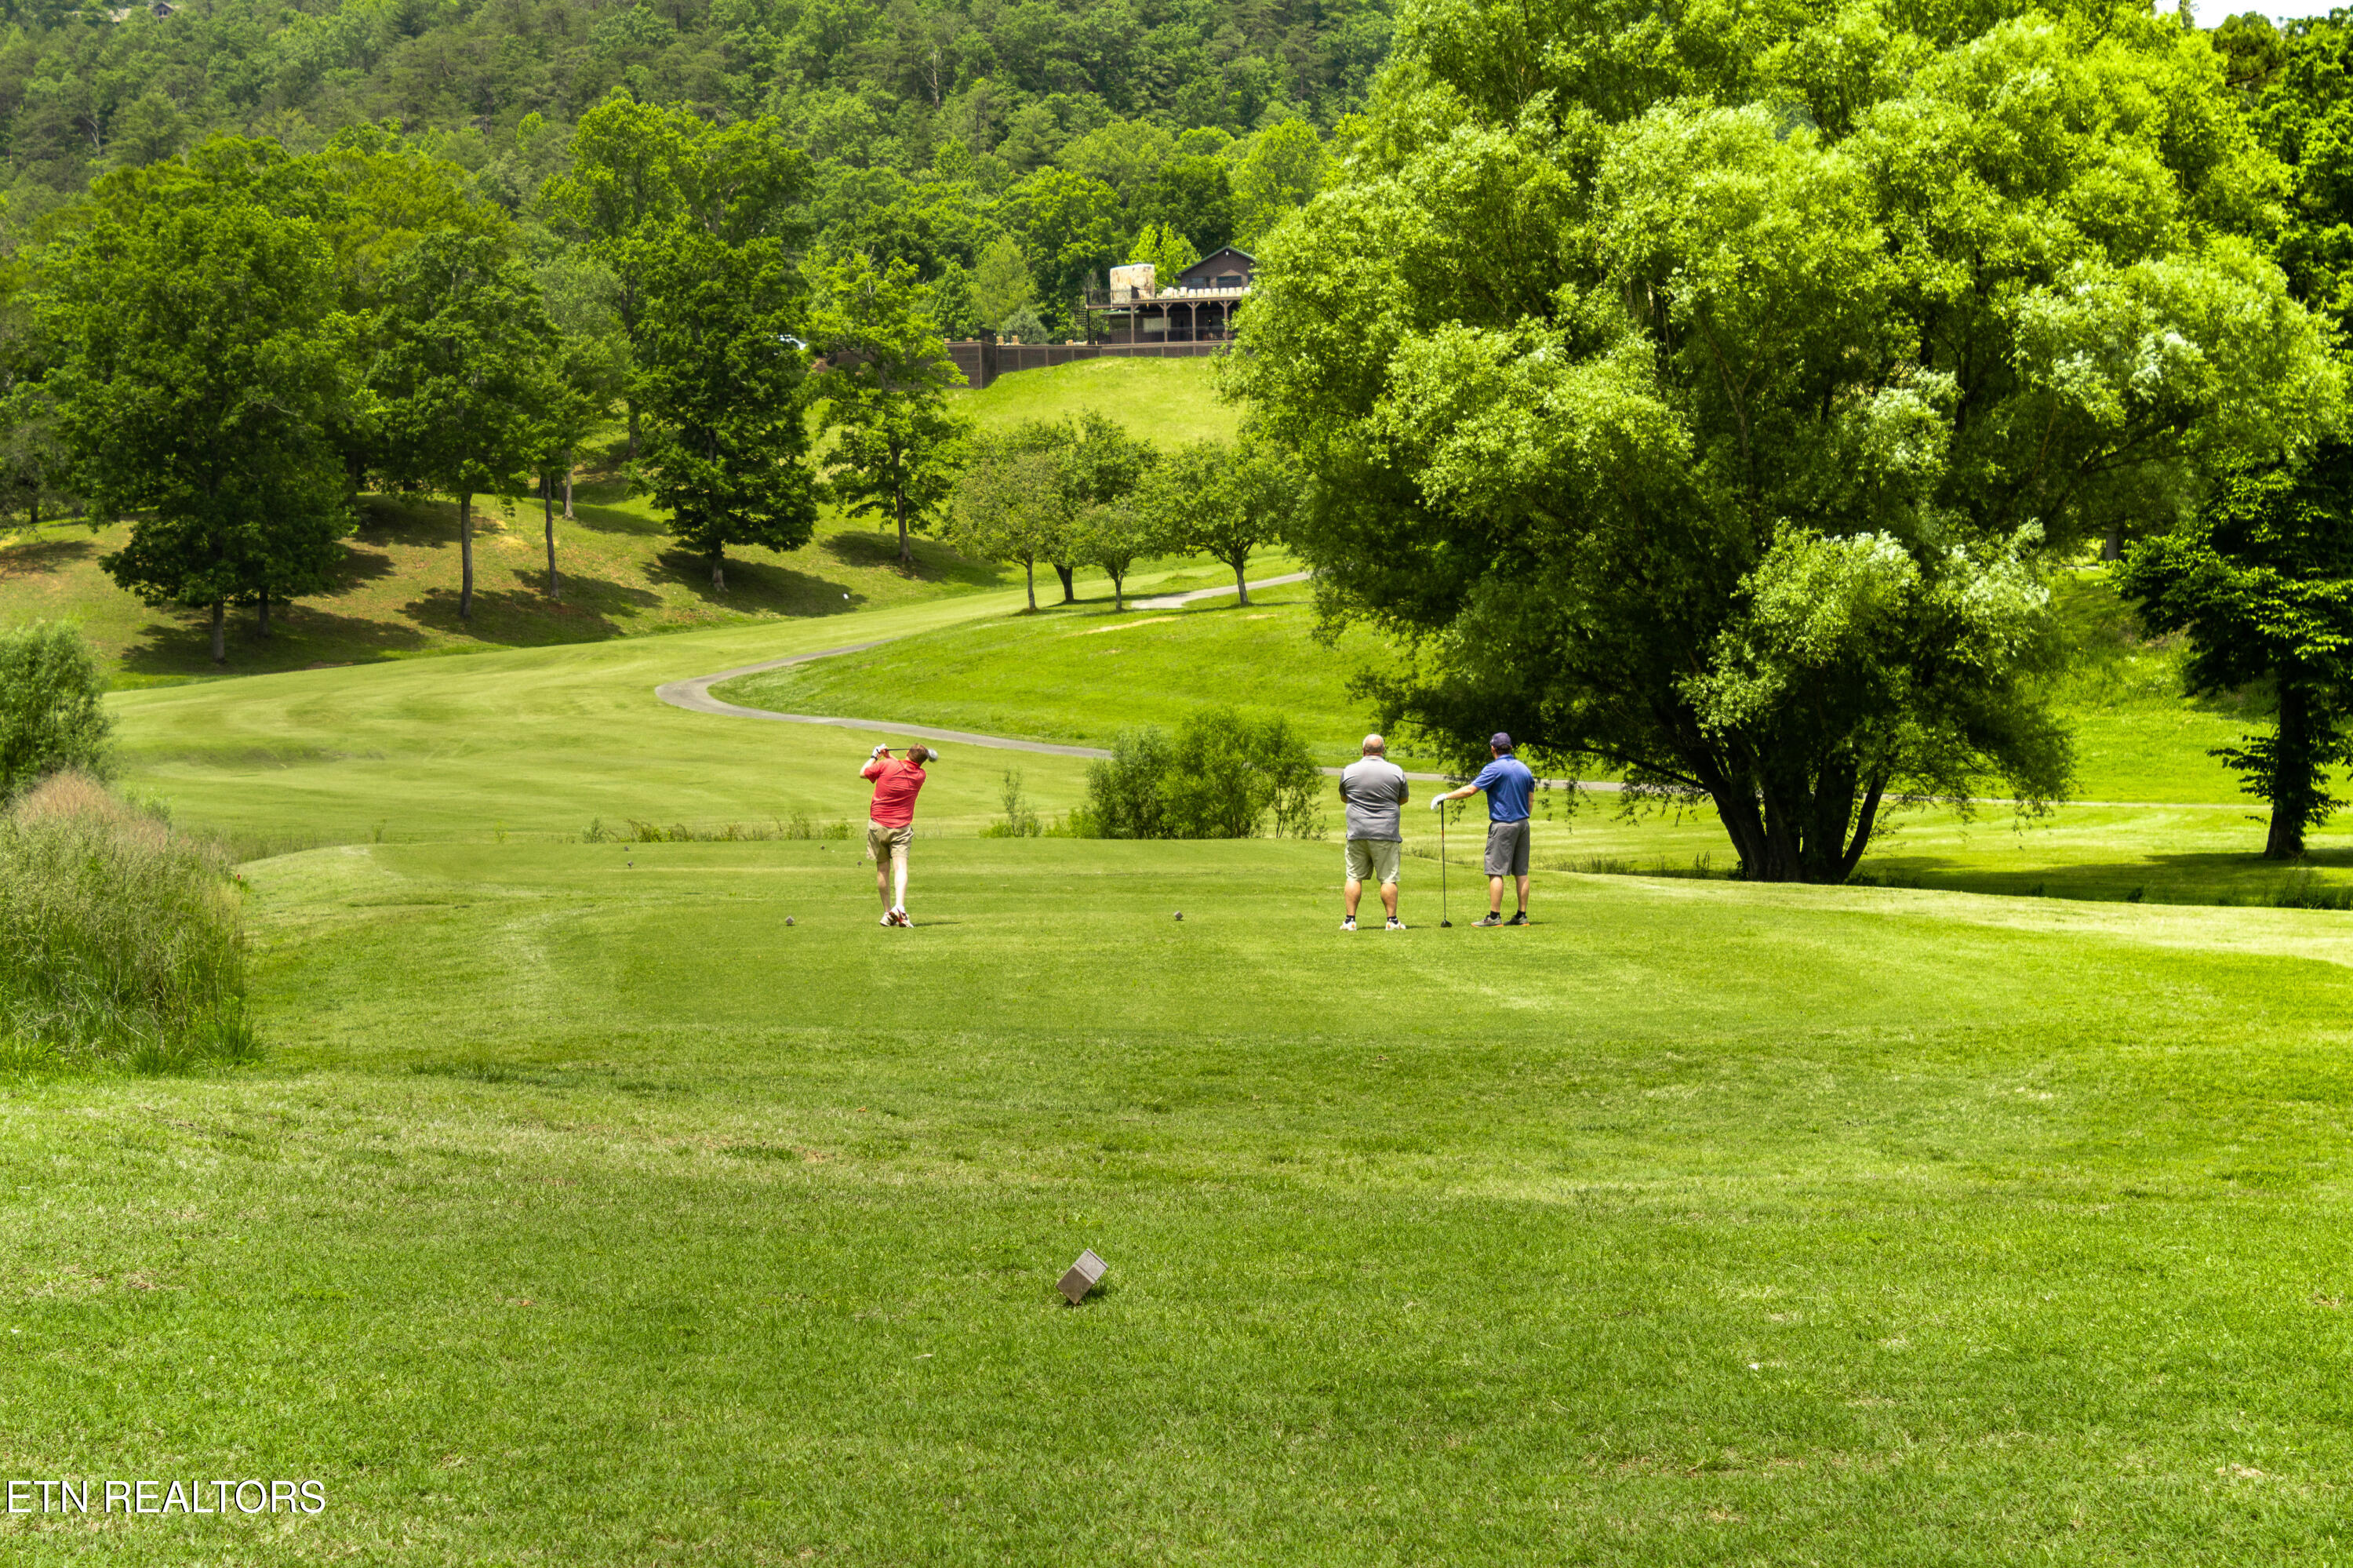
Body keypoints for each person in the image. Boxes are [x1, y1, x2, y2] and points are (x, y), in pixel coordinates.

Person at [1431, 732, 1535, 926]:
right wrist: (1523, 816)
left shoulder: (1494, 769)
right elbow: (1530, 799)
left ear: (1493, 749)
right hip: (1523, 824)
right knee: (1521, 871)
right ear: (1511, 748)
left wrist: (1446, 796)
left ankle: (1494, 917)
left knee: (1495, 871)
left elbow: (1470, 790)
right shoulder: (1524, 769)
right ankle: (1522, 916)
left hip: (1503, 824)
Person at [1337, 733, 1410, 931]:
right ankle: (1392, 921)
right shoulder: (1395, 771)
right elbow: (1402, 799)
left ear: (1363, 750)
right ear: (1383, 749)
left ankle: (1350, 920)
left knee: (1354, 876)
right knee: (1388, 878)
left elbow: (1345, 797)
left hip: (1357, 831)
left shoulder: (1349, 771)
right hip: (1385, 832)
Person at [861, 743, 933, 927]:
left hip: (878, 825)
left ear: (907, 753)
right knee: (901, 868)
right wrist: (888, 758)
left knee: (882, 869)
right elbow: (902, 768)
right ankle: (899, 907)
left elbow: (864, 772)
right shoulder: (920, 775)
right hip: (901, 828)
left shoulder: (888, 766)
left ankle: (888, 912)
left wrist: (875, 755)